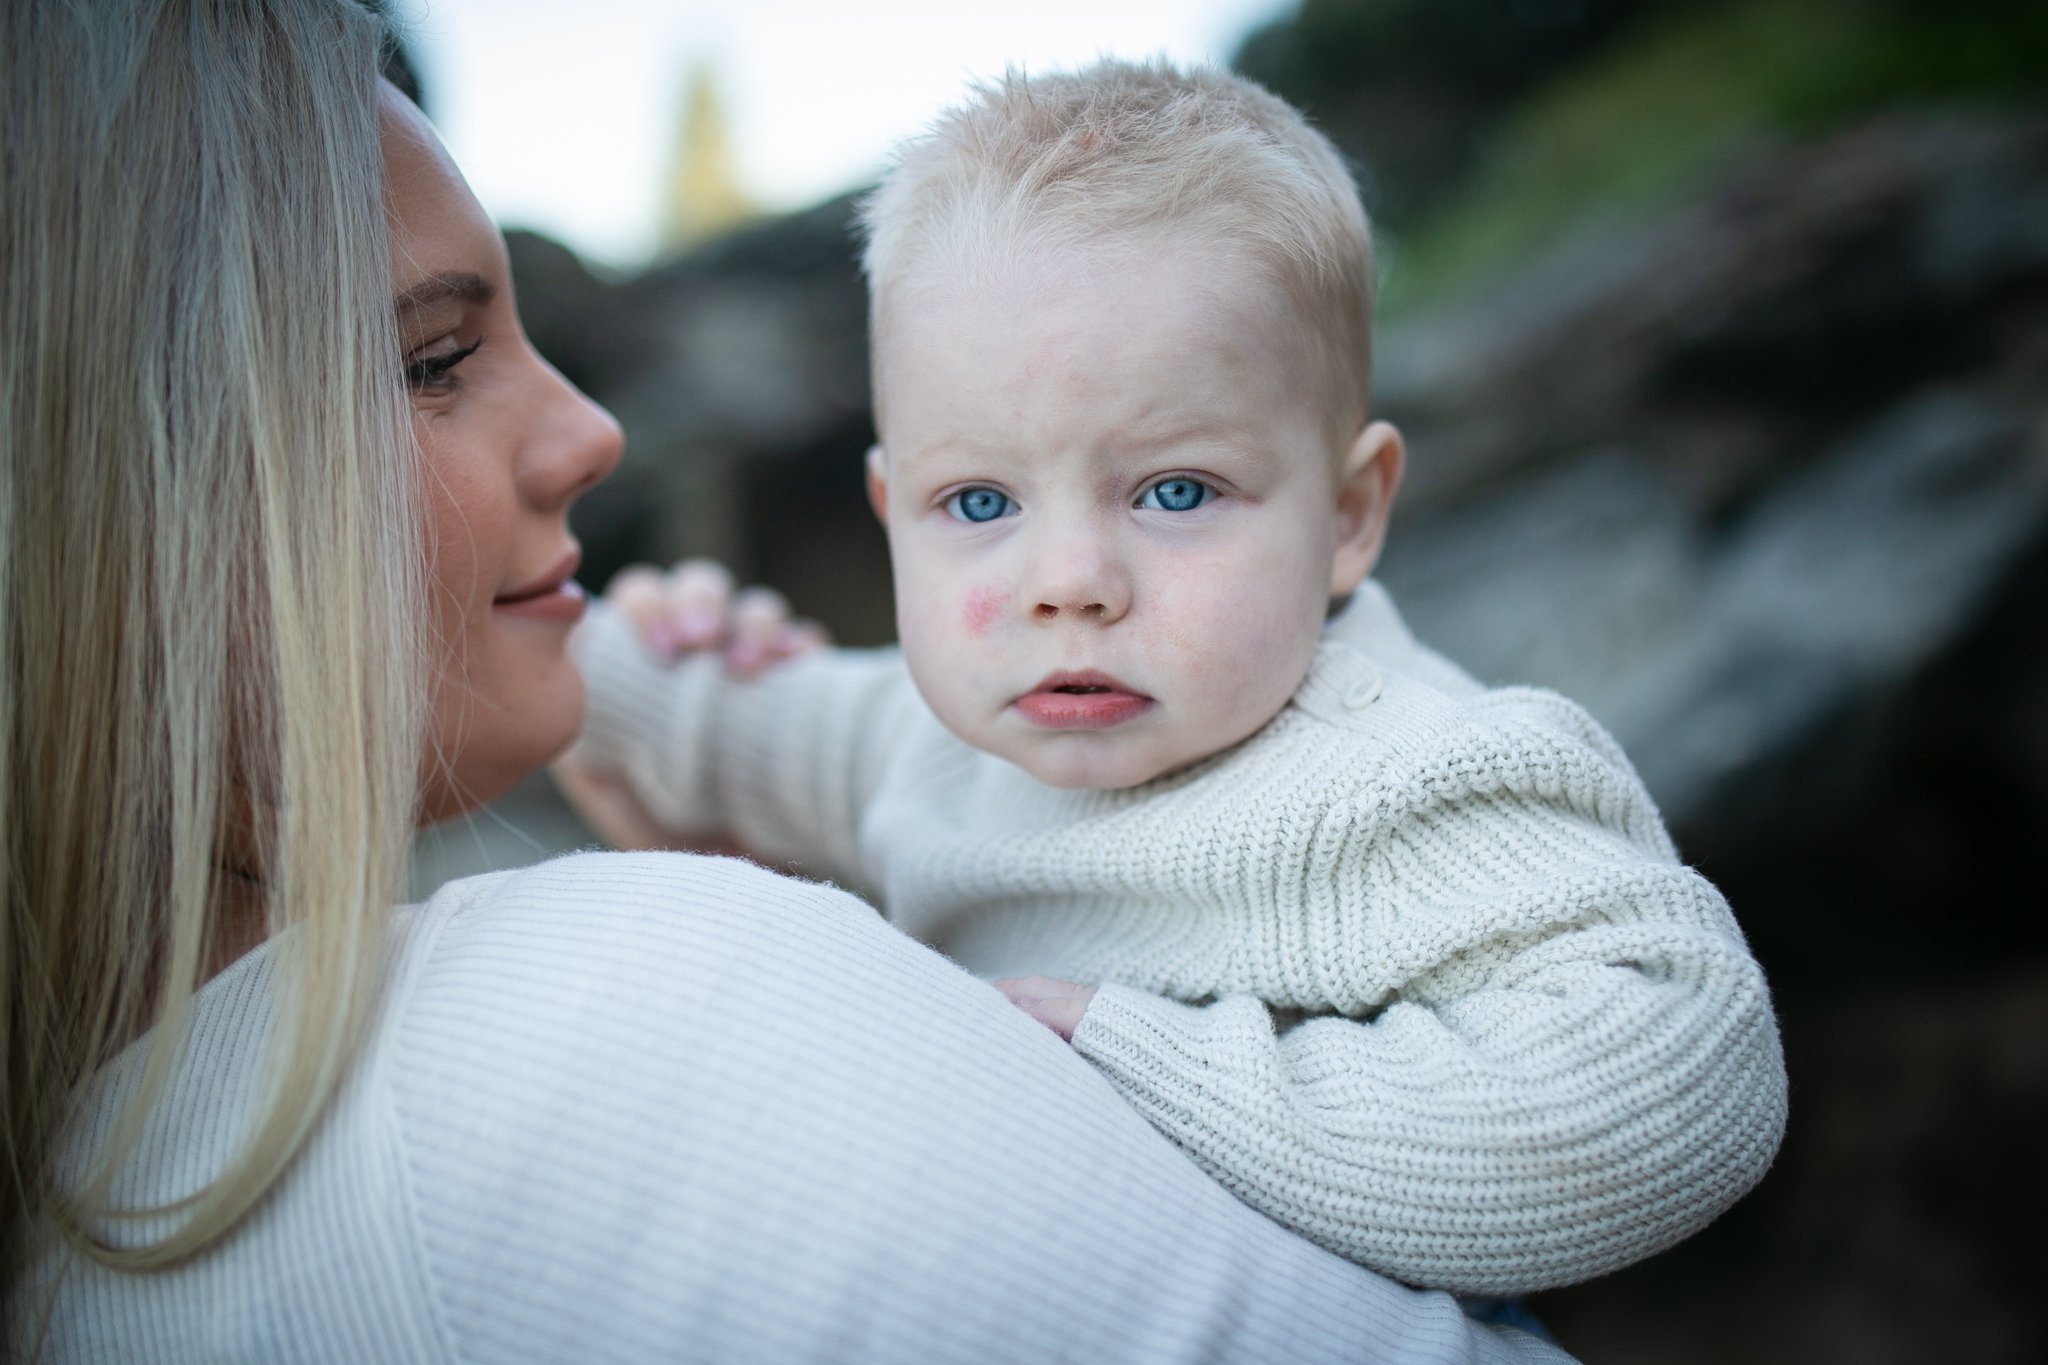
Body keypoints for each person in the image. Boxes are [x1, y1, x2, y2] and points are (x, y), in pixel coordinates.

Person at [0, 3, 1583, 1360]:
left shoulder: (87, 1246)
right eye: (429, 363)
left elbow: (1643, 1084)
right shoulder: (612, 1021)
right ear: (85, 520)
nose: (590, 432)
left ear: (1356, 510)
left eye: (1175, 488)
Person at [563, 59, 1789, 1299]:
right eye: (978, 501)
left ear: (1349, 514)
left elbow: (1686, 1067)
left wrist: (1140, 1062)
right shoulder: (929, 742)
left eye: (1175, 491)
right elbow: (687, 714)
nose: (1069, 582)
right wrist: (558, 630)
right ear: (892, 514)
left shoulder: (1402, 780)